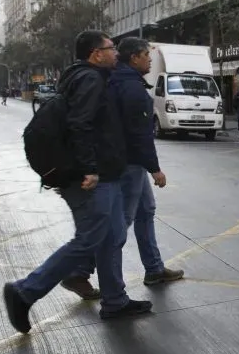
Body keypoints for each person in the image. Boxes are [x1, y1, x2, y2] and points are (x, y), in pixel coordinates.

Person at [3, 31, 152, 333]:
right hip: (91, 179)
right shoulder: (90, 80)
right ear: (96, 54)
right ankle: (25, 291)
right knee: (89, 240)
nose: (116, 54)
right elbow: (80, 126)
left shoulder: (91, 78)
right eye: (111, 49)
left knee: (110, 238)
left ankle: (115, 301)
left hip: (105, 175)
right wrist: (90, 169)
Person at [62, 38, 185, 295]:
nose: (150, 60)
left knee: (145, 211)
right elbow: (139, 134)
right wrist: (154, 168)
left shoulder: (118, 79)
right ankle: (81, 273)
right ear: (134, 59)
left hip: (128, 161)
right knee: (119, 226)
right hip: (129, 164)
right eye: (145, 55)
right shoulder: (130, 87)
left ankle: (153, 268)